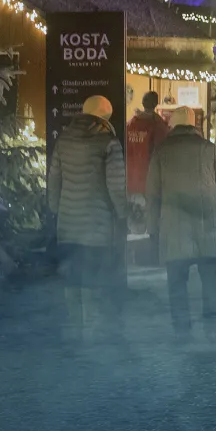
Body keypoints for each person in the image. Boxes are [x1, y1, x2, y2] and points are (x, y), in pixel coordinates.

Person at [147, 104, 216, 337]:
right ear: (194, 124)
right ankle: (213, 330)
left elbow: (152, 195)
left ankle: (182, 332)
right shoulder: (208, 149)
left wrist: (152, 228)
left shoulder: (161, 151)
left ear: (172, 124)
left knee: (176, 284)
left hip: (174, 229)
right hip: (208, 228)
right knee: (210, 282)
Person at [48, 94, 128, 337]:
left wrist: (55, 211)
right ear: (104, 118)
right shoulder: (108, 142)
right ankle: (91, 338)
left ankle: (75, 329)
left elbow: (54, 182)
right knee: (92, 283)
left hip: (68, 226)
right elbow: (116, 185)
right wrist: (123, 214)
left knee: (72, 280)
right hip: (97, 227)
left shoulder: (64, 140)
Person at [124, 91, 171, 238]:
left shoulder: (131, 124)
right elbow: (163, 153)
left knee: (133, 213)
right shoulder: (158, 126)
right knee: (149, 217)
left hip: (130, 178)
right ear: (156, 104)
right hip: (149, 179)